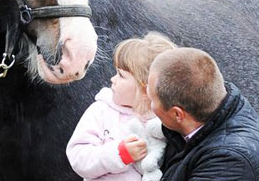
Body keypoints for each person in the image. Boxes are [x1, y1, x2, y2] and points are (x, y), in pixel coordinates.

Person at [147, 47, 259, 180]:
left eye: (152, 98)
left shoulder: (229, 162)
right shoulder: (220, 107)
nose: (148, 101)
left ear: (178, 114)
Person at [66, 32, 176, 181]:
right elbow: (78, 157)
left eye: (121, 75)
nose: (112, 79)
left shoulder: (164, 123)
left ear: (145, 89)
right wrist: (119, 154)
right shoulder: (101, 111)